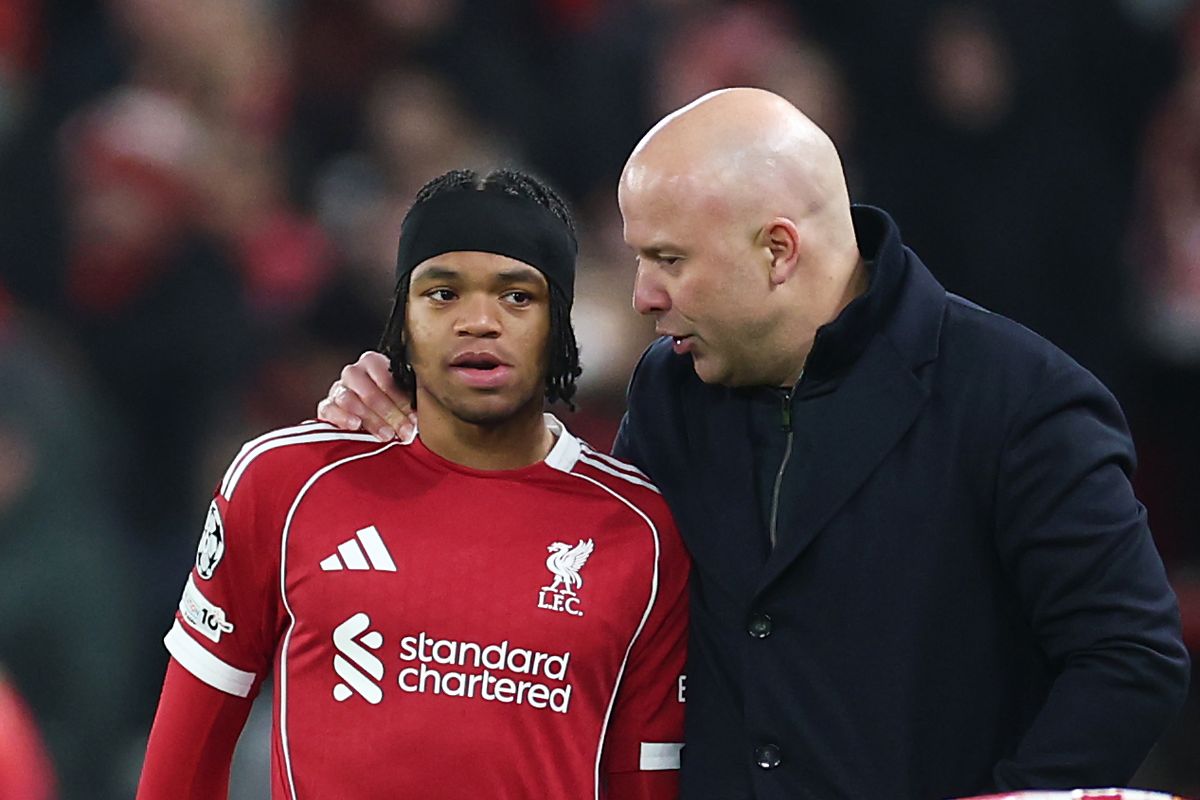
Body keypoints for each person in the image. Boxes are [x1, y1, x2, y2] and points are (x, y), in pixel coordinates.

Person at [317, 89, 1190, 800]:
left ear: (778, 251)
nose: (643, 298)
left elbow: (1130, 657)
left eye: (668, 260)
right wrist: (422, 450)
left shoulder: (1020, 399)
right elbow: (584, 596)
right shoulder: (672, 389)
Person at [137, 168, 689, 800]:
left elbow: (646, 784)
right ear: (401, 321)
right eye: (442, 293)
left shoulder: (642, 532)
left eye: (516, 296)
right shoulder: (284, 483)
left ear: (560, 327)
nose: (478, 321)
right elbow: (181, 766)